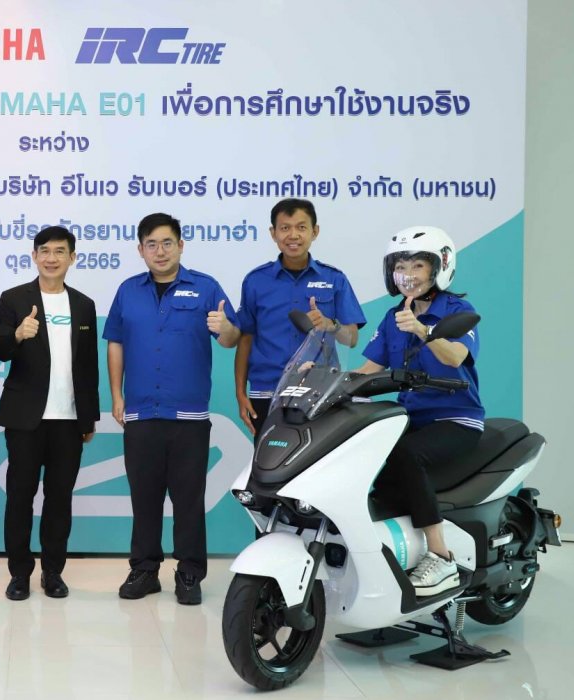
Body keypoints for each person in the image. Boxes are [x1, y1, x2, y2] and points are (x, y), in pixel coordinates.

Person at [103, 212, 241, 605]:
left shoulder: (205, 287)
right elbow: (115, 343)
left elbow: (231, 338)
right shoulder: (128, 291)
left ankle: (189, 573)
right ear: (140, 250)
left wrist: (225, 328)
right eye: (151, 244)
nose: (160, 251)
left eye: (167, 243)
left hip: (189, 417)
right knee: (144, 498)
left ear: (180, 245)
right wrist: (116, 395)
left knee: (188, 499)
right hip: (141, 413)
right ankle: (145, 570)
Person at [353, 226, 484, 596]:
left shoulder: (458, 311)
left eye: (417, 265)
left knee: (407, 455)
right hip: (410, 419)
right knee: (374, 468)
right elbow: (368, 370)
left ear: (438, 268)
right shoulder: (393, 316)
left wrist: (424, 332)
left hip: (456, 419)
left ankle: (441, 556)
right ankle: (390, 554)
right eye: (400, 266)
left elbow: (456, 357)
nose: (407, 274)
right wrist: (322, 378)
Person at [0, 226, 100, 601]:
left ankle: (53, 572)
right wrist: (17, 334)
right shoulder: (13, 298)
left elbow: (88, 365)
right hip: (25, 418)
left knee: (60, 499)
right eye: (45, 251)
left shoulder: (84, 304)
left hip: (69, 420)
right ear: (34, 256)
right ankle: (19, 573)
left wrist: (88, 417)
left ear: (72, 257)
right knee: (19, 498)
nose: (51, 258)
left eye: (60, 251)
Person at [236, 199, 366, 443]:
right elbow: (246, 339)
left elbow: (351, 339)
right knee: (270, 461)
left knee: (319, 462)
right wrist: (240, 394)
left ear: (314, 232)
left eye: (301, 227)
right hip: (267, 392)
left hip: (319, 390)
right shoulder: (255, 281)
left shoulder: (334, 279)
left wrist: (331, 325)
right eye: (285, 228)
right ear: (273, 233)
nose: (293, 235)